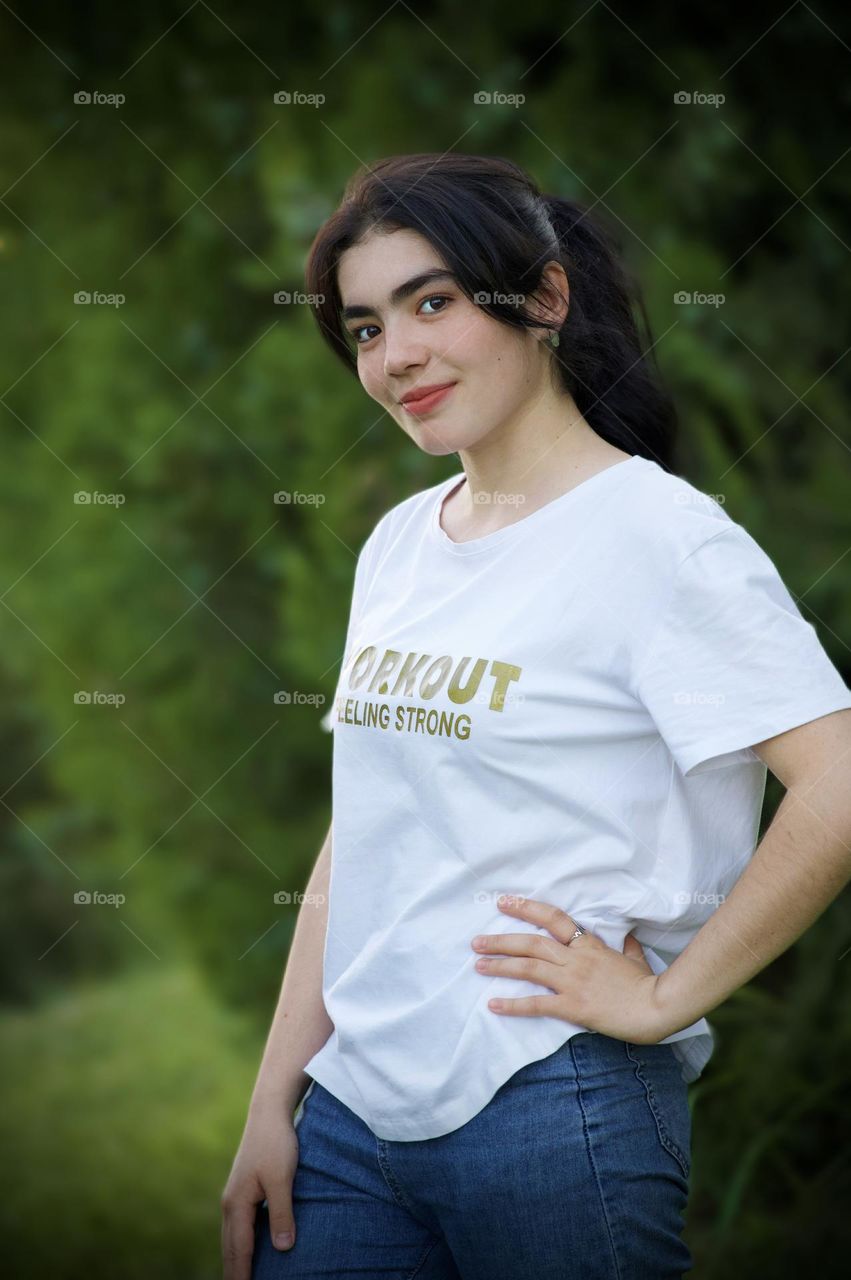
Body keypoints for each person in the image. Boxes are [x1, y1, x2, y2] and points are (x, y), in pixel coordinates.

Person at [221, 153, 851, 1280]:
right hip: (350, 1116)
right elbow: (359, 834)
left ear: (543, 300)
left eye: (431, 302)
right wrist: (275, 1097)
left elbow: (835, 782)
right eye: (364, 328)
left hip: (554, 1108)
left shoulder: (660, 538)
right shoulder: (401, 542)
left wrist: (661, 998)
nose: (395, 354)